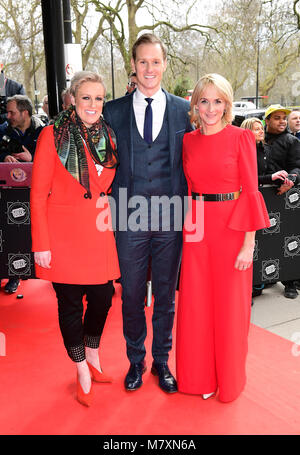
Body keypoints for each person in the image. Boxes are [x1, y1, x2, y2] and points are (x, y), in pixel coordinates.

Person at [104, 33, 192, 394]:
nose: (149, 68)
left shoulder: (183, 110)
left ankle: (162, 361)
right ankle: (135, 361)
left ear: (165, 64)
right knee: (132, 295)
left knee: (167, 295)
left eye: (155, 61)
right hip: (129, 217)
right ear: (134, 67)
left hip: (171, 217)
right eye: (143, 62)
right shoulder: (113, 110)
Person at [176, 74, 270, 403]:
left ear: (227, 105)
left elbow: (250, 192)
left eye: (218, 101)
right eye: (205, 101)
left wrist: (249, 243)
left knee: (229, 312)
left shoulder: (242, 138)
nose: (211, 108)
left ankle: (228, 381)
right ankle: (201, 377)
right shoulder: (188, 141)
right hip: (197, 231)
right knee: (196, 308)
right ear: (195, 105)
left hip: (232, 231)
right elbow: (188, 190)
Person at [30, 71, 120, 406]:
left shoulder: (108, 136)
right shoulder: (51, 135)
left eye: (99, 98)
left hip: (98, 232)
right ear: (72, 99)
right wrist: (41, 244)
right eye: (86, 97)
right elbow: (37, 196)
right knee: (69, 304)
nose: (93, 105)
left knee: (103, 298)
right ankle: (81, 367)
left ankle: (93, 354)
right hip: (63, 235)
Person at [241, 117, 289, 298]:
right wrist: (271, 177)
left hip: (267, 202)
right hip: (246, 202)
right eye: (256, 129)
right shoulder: (244, 151)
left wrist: (285, 177)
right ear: (247, 132)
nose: (261, 131)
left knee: (264, 245)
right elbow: (248, 178)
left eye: (261, 128)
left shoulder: (267, 149)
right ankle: (247, 287)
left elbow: (270, 172)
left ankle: (258, 284)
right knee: (249, 246)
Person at [0, 95, 44, 294]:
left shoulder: (43, 130)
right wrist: (4, 157)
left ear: (25, 112)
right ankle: (13, 275)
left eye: (12, 112)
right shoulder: (2, 130)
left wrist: (31, 159)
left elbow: (55, 160)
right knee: (11, 236)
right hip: (8, 194)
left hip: (38, 193)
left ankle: (49, 274)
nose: (7, 116)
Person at [264, 104, 300, 299]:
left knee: (289, 241)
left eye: (283, 118)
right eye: (276, 117)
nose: (282, 121)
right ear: (267, 120)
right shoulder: (259, 139)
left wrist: (291, 181)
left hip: (286, 198)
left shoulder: (291, 141)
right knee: (266, 240)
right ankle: (263, 280)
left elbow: (297, 167)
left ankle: (290, 282)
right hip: (263, 197)